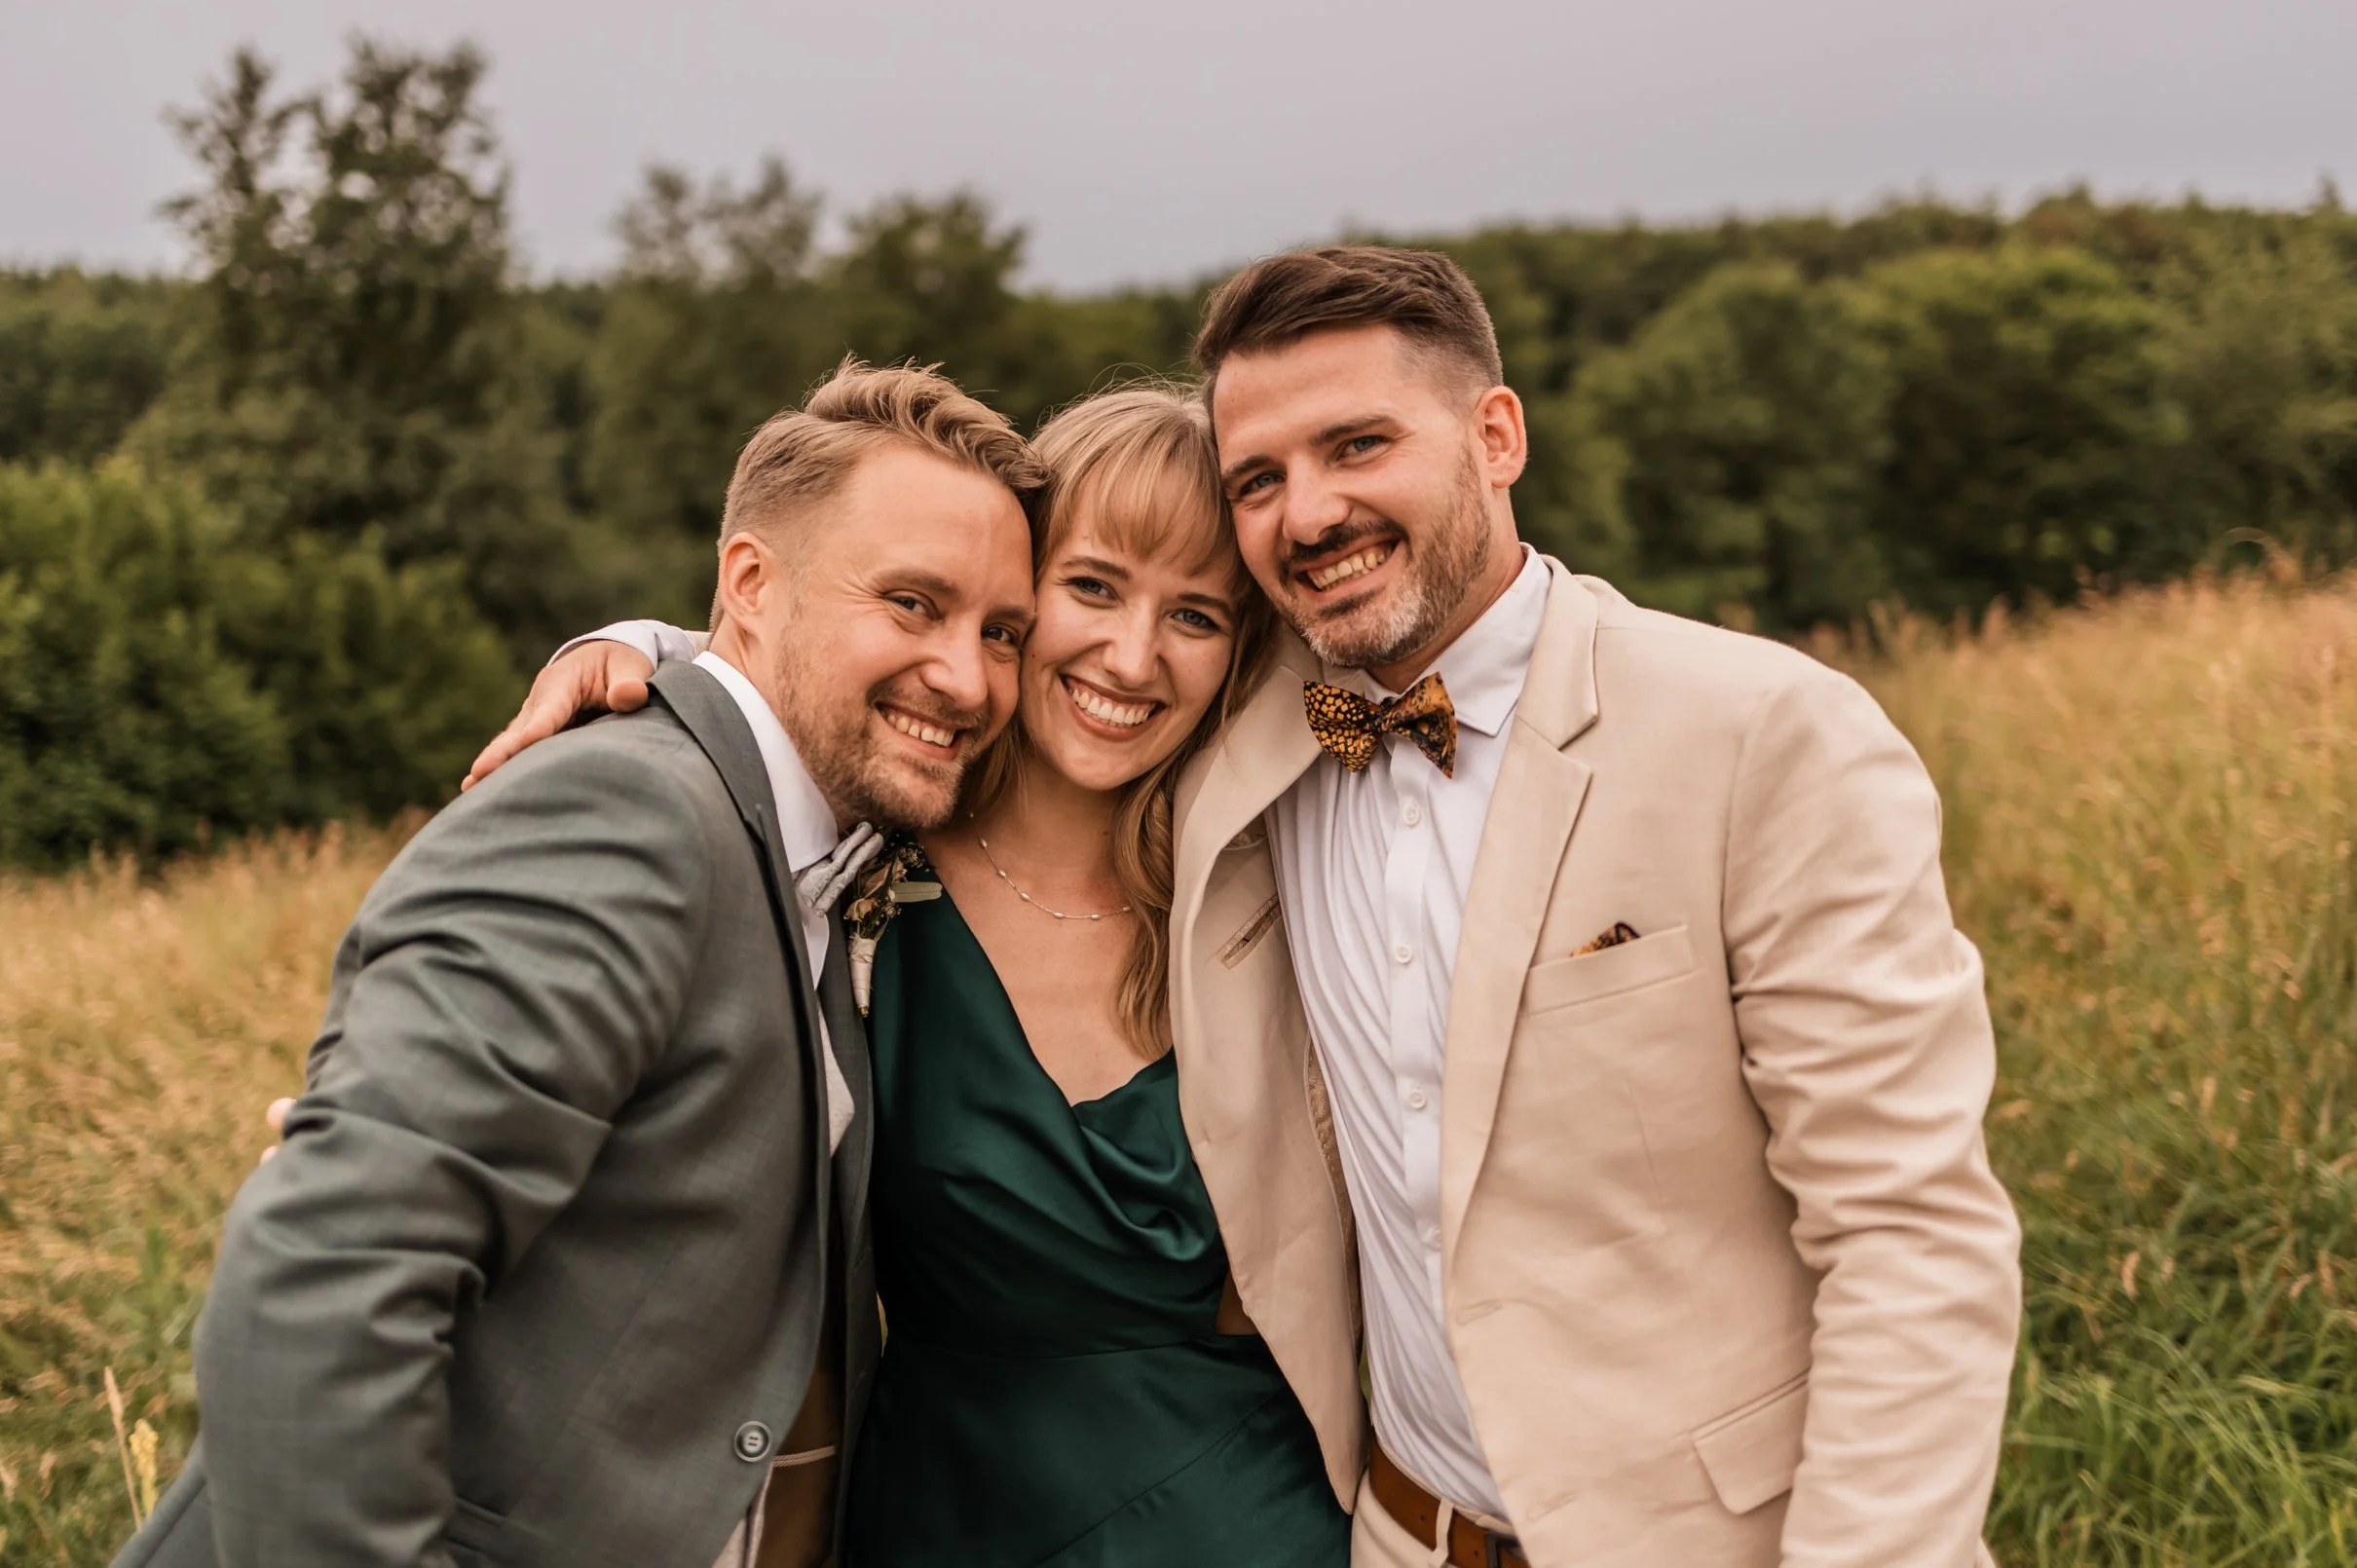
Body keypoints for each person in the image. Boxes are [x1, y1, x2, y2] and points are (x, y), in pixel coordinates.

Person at [502, 246, 2027, 1568]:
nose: (1311, 510)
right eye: (1263, 480)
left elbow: (1913, 1234)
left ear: (1497, 433)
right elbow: (875, 653)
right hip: (1383, 1526)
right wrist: (665, 657)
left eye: (1361, 443)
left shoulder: (1750, 733)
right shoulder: (1232, 761)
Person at [114, 360, 1045, 1568]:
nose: (968, 678)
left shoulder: (818, 838)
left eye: (1002, 631)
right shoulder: (626, 814)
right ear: (751, 586)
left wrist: (636, 638)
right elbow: (323, 1278)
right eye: (913, 604)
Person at [537, 386, 1357, 1567]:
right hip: (940, 1513)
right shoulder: (857, 864)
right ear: (1016, 599)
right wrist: (645, 650)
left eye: (1196, 614)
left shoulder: (1273, 885)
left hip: (1244, 1517)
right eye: (1091, 587)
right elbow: (794, 671)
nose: (1132, 656)